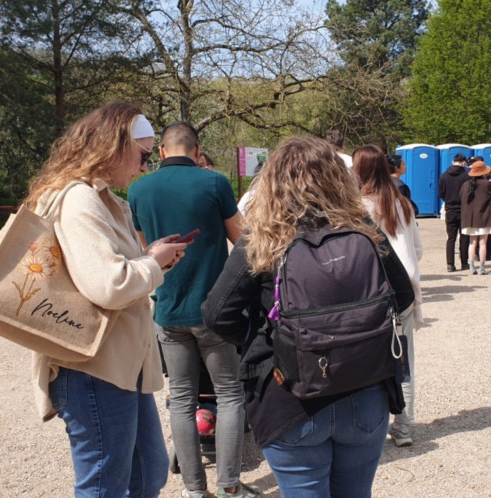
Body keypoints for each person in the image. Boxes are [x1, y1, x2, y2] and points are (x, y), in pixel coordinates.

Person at [201, 136, 415, 498]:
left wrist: (269, 338)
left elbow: (217, 314)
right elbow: (404, 295)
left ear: (273, 182)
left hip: (291, 397)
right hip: (365, 390)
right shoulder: (363, 230)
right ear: (337, 178)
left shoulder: (263, 237)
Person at [25, 102, 187, 497]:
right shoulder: (79, 199)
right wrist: (152, 263)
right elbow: (108, 286)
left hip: (116, 364)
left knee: (146, 474)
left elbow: (113, 273)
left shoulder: (98, 198)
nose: (144, 166)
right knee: (105, 485)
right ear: (115, 145)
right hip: (93, 366)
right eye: (143, 155)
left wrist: (151, 260)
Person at [128, 122, 258, 498]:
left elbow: (144, 253)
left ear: (163, 152)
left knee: (181, 399)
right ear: (197, 151)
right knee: (230, 394)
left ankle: (193, 490)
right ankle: (229, 486)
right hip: (214, 309)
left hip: (167, 309)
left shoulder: (137, 188)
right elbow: (243, 240)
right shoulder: (214, 183)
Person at [353, 145, 424, 447]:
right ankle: (404, 426)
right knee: (403, 359)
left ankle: (370, 424)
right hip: (404, 290)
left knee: (367, 360)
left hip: (371, 293)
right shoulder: (403, 203)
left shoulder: (357, 208)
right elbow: (418, 249)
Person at [460, 160, 491, 275]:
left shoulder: (466, 184)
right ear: (483, 172)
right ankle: (482, 267)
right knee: (482, 243)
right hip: (484, 216)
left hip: (469, 218)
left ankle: (471, 266)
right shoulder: (487, 184)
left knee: (472, 242)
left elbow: (460, 196)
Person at [438, 153, 471, 272]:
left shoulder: (444, 175)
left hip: (450, 209)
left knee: (451, 238)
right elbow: (470, 192)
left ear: (453, 162)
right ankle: (464, 262)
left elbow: (441, 193)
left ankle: (450, 264)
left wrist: (448, 200)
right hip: (464, 209)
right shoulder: (467, 175)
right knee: (464, 237)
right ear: (463, 162)